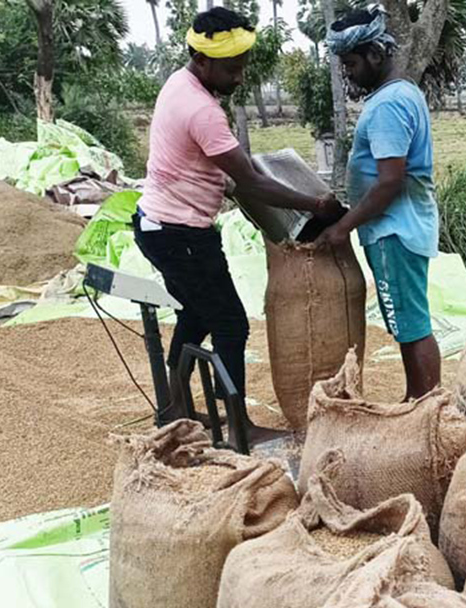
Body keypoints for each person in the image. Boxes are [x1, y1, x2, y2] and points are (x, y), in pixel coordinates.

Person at [135, 7, 343, 443]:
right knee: (231, 324)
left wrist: (219, 181)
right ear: (204, 61)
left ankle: (176, 406)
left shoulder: (180, 83)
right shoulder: (201, 109)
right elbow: (250, 180)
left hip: (158, 225)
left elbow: (216, 169)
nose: (240, 77)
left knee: (196, 311)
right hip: (181, 233)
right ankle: (239, 430)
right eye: (233, 68)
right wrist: (313, 204)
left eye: (243, 66)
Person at [316, 4, 442, 399]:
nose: (348, 72)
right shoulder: (400, 94)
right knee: (408, 323)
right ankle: (419, 400)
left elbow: (389, 183)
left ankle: (424, 406)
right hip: (401, 228)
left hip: (394, 231)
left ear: (375, 54)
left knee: (412, 326)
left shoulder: (388, 105)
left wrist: (343, 227)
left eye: (351, 63)